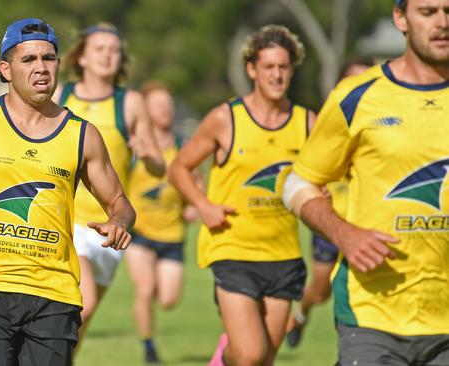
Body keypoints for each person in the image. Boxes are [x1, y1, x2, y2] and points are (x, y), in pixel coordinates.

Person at [0, 18, 136, 366]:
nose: (41, 68)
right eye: (29, 60)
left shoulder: (82, 135)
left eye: (48, 58)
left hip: (55, 291)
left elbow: (119, 202)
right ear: (5, 69)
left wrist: (120, 222)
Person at [282, 0, 449, 364]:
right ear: (400, 18)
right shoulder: (356, 96)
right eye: (428, 12)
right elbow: (297, 185)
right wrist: (344, 234)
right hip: (372, 317)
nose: (442, 22)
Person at [169, 25, 314, 366]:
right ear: (252, 69)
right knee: (249, 354)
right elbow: (178, 167)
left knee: (265, 358)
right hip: (233, 247)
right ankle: (224, 357)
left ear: (292, 69)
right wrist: (203, 205)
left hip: (284, 254)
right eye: (269, 67)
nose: (277, 75)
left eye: (283, 67)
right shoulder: (226, 119)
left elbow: (324, 174)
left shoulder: (307, 123)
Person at [52, 22, 165, 349]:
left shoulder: (129, 103)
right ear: (82, 57)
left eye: (114, 50)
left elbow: (158, 168)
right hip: (67, 220)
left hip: (110, 229)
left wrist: (148, 155)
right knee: (80, 307)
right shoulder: (62, 95)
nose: (107, 55)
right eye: (99, 49)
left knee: (78, 326)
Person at [285, 58, 374, 348]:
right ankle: (301, 312)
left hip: (368, 223)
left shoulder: (384, 122)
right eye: (353, 82)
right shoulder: (327, 122)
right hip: (330, 222)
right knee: (322, 290)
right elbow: (303, 170)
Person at [124, 81, 199, 364]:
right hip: (139, 233)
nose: (165, 109)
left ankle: (150, 327)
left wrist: (193, 206)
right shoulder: (134, 146)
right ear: (144, 109)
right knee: (144, 289)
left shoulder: (183, 146)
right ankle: (148, 347)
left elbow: (197, 183)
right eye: (157, 104)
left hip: (172, 234)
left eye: (168, 103)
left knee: (168, 299)